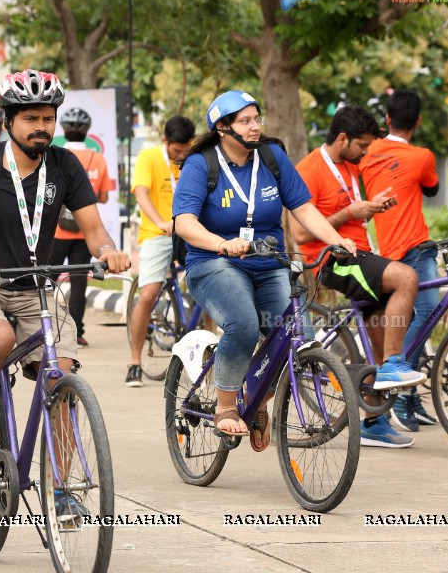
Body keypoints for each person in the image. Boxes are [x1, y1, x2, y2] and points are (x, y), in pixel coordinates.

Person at [0, 69, 130, 470]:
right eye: (30, 119)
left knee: (61, 378)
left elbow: (94, 230)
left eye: (47, 118)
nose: (41, 127)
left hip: (35, 289)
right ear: (7, 121)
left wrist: (109, 251)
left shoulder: (65, 166)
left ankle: (62, 486)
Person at [173, 90, 356, 452]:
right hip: (214, 262)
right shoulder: (201, 164)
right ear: (223, 128)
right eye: (246, 121)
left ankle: (257, 403)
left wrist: (337, 240)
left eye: (257, 118)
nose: (255, 126)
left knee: (294, 331)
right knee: (243, 323)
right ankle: (226, 405)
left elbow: (303, 207)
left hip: (269, 261)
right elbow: (184, 223)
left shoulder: (272, 157)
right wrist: (220, 243)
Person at [289, 103, 425, 448]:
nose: (366, 153)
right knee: (407, 277)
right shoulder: (310, 169)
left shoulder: (350, 166)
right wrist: (350, 211)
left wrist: (370, 206)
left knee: (379, 337)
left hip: (359, 254)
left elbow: (350, 211)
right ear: (343, 138)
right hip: (332, 259)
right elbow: (301, 235)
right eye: (362, 145)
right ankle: (396, 365)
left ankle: (373, 423)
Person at [361, 89, 441, 432]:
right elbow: (432, 189)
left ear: (388, 120)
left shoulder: (367, 153)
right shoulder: (422, 156)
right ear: (418, 121)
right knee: (428, 313)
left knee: (408, 322)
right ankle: (404, 392)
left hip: (386, 253)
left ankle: (408, 394)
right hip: (417, 250)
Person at [126, 115, 196, 386]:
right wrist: (160, 223)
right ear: (165, 141)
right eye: (176, 151)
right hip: (158, 233)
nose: (181, 156)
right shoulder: (149, 158)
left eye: (185, 150)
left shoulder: (194, 159)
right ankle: (134, 362)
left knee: (215, 284)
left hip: (189, 231)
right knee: (149, 294)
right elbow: (141, 193)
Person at [48, 106, 113, 347]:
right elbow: (103, 197)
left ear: (63, 129)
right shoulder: (98, 159)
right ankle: (76, 332)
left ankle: (42, 327)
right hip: (87, 231)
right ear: (87, 131)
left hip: (55, 230)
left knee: (47, 279)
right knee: (78, 282)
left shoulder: (54, 157)